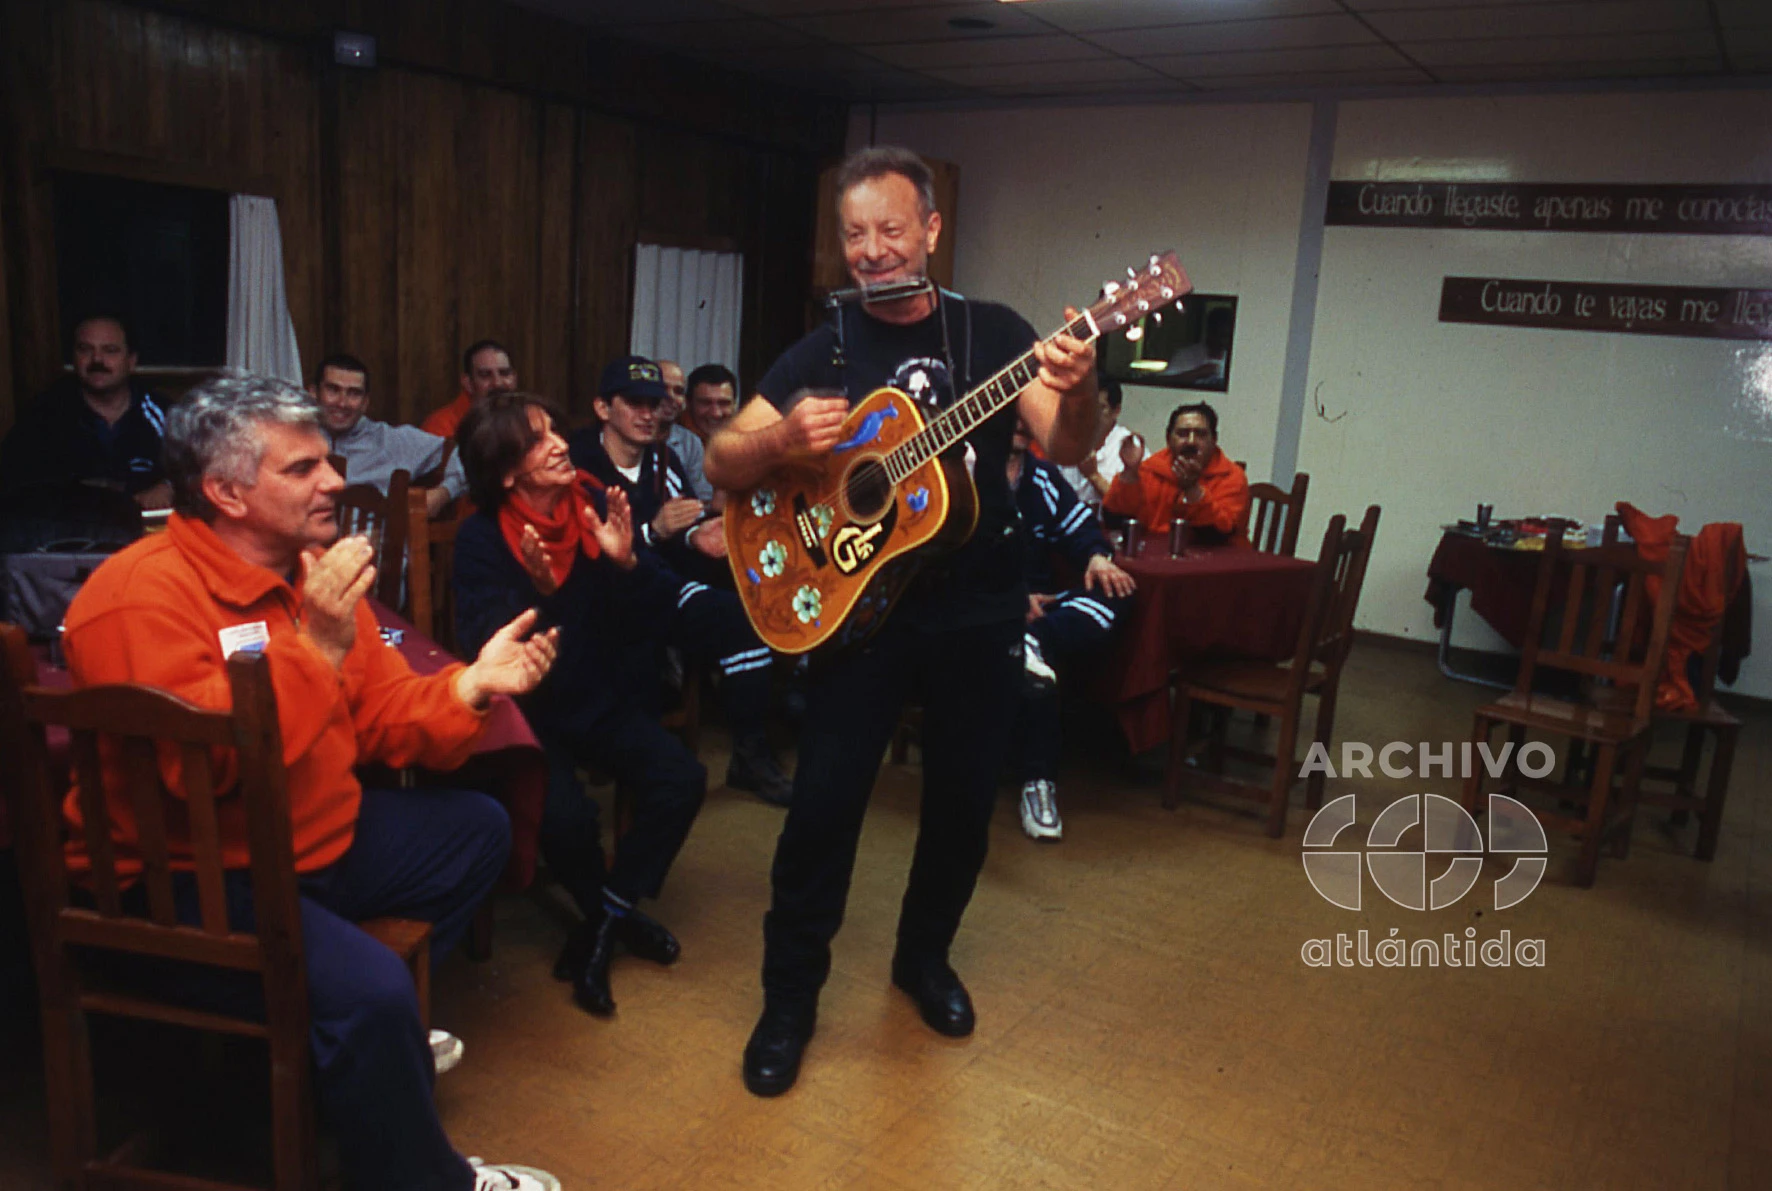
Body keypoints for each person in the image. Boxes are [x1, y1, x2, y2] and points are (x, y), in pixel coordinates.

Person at [58, 373, 562, 1191]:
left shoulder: (311, 573)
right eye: (302, 469)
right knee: (369, 993)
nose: (334, 481)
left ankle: (349, 1039)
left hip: (306, 848)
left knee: (477, 829)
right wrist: (316, 647)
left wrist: (471, 686)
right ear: (224, 491)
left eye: (328, 462)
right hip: (191, 879)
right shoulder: (135, 596)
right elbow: (203, 770)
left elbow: (384, 714)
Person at [703, 145, 1100, 1097]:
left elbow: (1065, 438)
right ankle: (789, 999)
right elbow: (722, 460)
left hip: (977, 611)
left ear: (930, 230)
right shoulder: (824, 345)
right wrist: (781, 439)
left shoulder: (994, 332)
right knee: (824, 807)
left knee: (962, 807)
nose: (873, 252)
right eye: (854, 235)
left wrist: (1079, 380)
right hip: (858, 614)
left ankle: (923, 960)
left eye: (890, 230)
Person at [453, 392, 784, 1018]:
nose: (558, 443)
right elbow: (490, 650)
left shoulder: (593, 508)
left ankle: (604, 920)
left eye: (553, 427)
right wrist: (543, 592)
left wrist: (629, 563)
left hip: (598, 695)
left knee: (681, 779)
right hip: (529, 716)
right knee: (568, 821)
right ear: (506, 473)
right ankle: (609, 915)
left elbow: (650, 610)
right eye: (536, 439)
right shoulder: (480, 540)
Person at [1008, 418, 1135, 840]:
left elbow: (1080, 526)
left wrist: (1097, 556)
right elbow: (949, 556)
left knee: (1117, 591)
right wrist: (1009, 595)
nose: (1022, 425)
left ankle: (1032, 644)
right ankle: (1038, 783)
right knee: (1027, 658)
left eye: (1028, 416)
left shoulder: (1040, 477)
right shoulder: (965, 473)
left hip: (1041, 612)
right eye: (1011, 415)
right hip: (982, 605)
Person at [570, 356, 726, 578]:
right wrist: (653, 531)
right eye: (634, 402)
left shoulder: (663, 458)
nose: (647, 415)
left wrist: (694, 535)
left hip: (661, 586)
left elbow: (684, 520)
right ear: (603, 408)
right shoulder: (576, 461)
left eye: (654, 404)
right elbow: (584, 553)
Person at [0, 314, 171, 509]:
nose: (97, 359)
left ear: (131, 360)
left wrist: (168, 487)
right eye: (85, 350)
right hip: (68, 532)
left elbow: (198, 473)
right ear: (74, 358)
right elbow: (15, 486)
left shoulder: (162, 413)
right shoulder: (43, 415)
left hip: (144, 530)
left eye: (110, 351)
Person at [311, 352, 467, 516]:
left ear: (365, 403)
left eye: (354, 393)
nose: (342, 403)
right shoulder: (297, 441)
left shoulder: (391, 441)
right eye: (333, 390)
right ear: (314, 393)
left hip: (375, 540)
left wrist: (443, 493)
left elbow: (467, 456)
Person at [1104, 401, 1250, 546]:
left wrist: (1193, 490)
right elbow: (1114, 520)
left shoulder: (1232, 477)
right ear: (1168, 438)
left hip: (1218, 561)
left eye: (1200, 434)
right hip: (1156, 556)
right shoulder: (1150, 470)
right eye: (1183, 434)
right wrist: (1130, 473)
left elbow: (1218, 534)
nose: (1191, 442)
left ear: (1214, 440)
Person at [1057, 377, 1138, 507]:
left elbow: (1130, 508)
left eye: (1100, 408)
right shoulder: (1063, 441)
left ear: (1116, 411)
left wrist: (1094, 476)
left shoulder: (1131, 446)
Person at [422, 340, 518, 440]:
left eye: (504, 373)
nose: (497, 383)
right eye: (485, 375)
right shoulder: (440, 426)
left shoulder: (528, 421)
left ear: (515, 379)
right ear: (468, 383)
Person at [655, 359, 713, 502]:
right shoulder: (629, 436)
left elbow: (702, 499)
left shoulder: (691, 442)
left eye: (678, 391)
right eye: (662, 388)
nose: (670, 397)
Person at [685, 362, 740, 442]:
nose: (716, 413)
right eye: (705, 403)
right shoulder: (667, 444)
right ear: (688, 403)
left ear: (735, 404)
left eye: (723, 403)